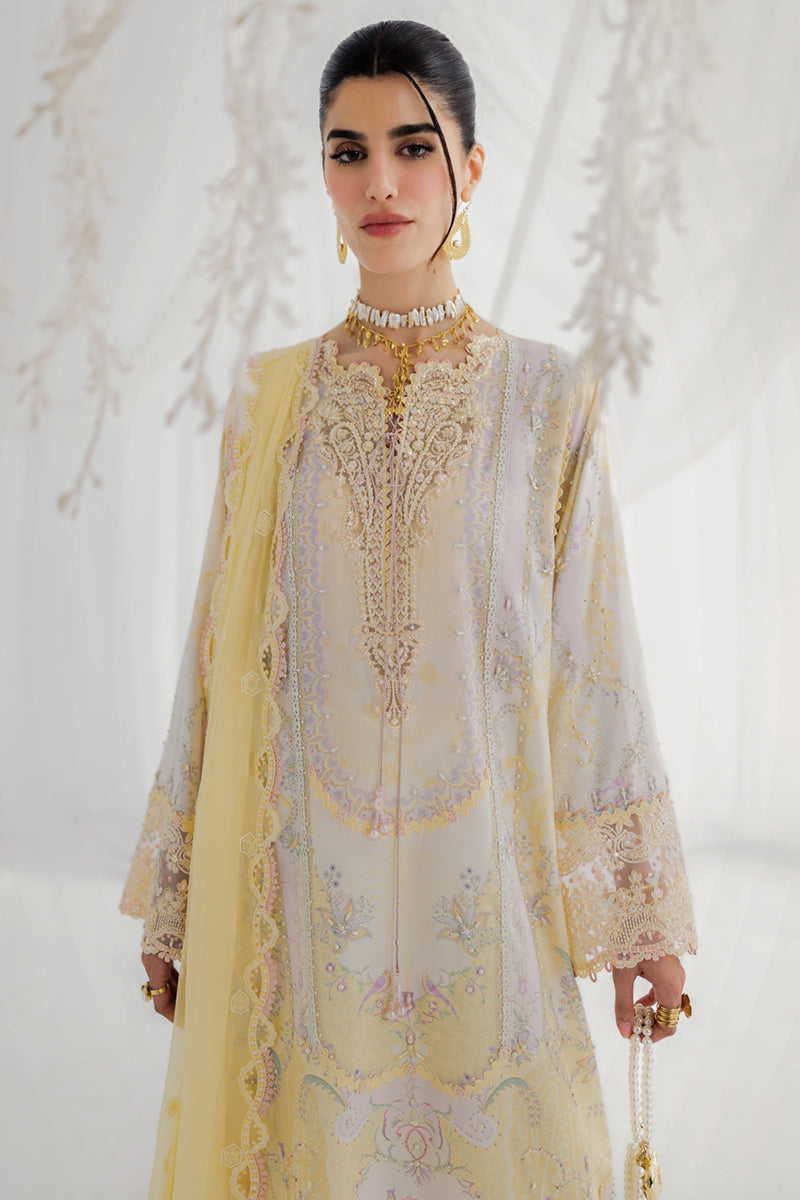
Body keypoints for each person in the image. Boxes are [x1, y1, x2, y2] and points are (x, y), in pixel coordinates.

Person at [120, 19, 697, 1200]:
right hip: (301, 906)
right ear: (322, 173)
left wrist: (640, 922)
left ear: (469, 167)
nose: (378, 182)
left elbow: (597, 665)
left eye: (412, 147)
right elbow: (214, 662)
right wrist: (177, 901)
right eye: (347, 152)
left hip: (487, 896)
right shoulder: (267, 404)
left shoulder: (546, 401)